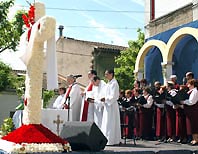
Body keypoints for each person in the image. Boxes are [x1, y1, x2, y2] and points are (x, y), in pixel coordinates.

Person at [101, 69, 121, 145]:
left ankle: (111, 139)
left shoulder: (114, 84)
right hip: (107, 105)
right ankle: (105, 139)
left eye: (107, 74)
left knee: (111, 122)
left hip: (111, 105)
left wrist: (106, 99)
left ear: (111, 74)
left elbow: (114, 96)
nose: (105, 76)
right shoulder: (108, 83)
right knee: (106, 122)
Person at [181, 79, 198, 146]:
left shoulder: (195, 91)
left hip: (193, 110)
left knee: (194, 125)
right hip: (189, 111)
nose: (187, 85)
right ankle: (193, 139)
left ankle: (196, 139)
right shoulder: (190, 91)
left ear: (192, 84)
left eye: (188, 83)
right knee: (190, 125)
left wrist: (184, 101)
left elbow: (192, 101)